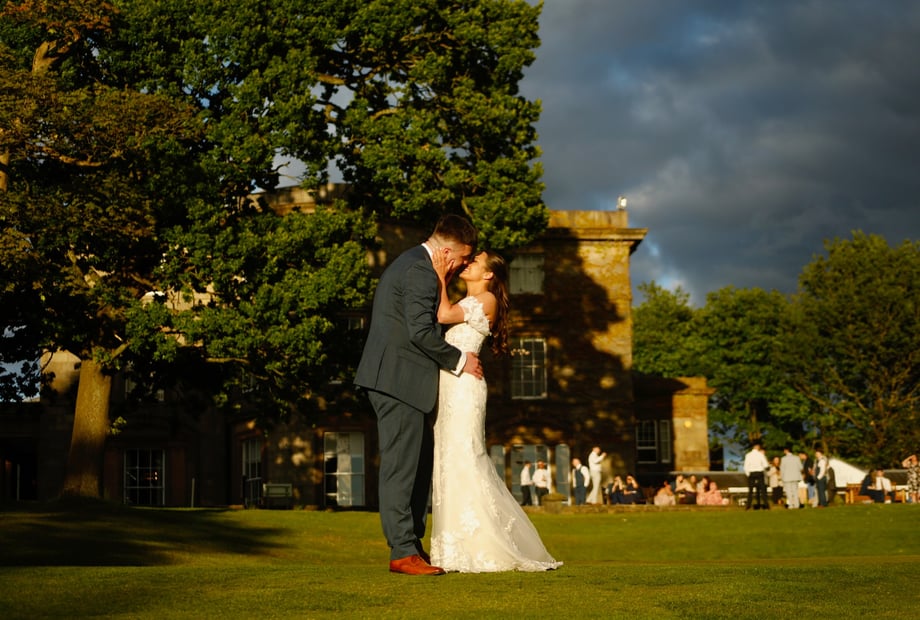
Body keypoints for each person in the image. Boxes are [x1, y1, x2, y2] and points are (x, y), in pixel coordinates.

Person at [355, 214, 481, 577]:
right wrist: (461, 361)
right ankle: (402, 551)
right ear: (447, 252)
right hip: (398, 382)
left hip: (404, 383)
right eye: (462, 259)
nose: (462, 266)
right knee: (402, 469)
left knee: (418, 467)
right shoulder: (419, 270)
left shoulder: (419, 265)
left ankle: (412, 546)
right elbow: (421, 333)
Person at [429, 249, 561, 572]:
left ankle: (482, 545)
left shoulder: (486, 299)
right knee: (448, 460)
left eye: (475, 261)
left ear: (488, 274)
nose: (468, 263)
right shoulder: (467, 299)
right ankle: (454, 547)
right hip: (450, 386)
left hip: (464, 388)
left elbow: (443, 315)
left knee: (465, 457)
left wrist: (440, 274)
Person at [743, 443, 771, 510]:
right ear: (757, 447)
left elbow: (746, 466)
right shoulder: (760, 454)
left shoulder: (748, 455)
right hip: (759, 473)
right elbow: (765, 465)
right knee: (762, 490)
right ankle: (766, 505)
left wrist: (748, 474)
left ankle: (748, 506)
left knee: (750, 491)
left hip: (752, 473)